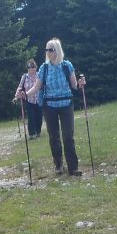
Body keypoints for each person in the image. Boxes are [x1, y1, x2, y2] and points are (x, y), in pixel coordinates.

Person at [20, 38, 86, 176]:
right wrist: (25, 94)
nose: (48, 52)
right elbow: (37, 87)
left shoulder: (67, 65)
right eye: (46, 49)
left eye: (51, 49)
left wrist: (81, 84)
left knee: (68, 136)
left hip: (66, 103)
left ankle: (73, 167)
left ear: (57, 50)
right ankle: (58, 165)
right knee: (53, 136)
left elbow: (74, 85)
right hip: (49, 105)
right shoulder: (44, 68)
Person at [13, 59, 42, 139]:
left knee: (39, 117)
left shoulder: (39, 75)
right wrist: (16, 96)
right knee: (31, 117)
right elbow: (20, 87)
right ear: (27, 68)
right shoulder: (25, 77)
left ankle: (38, 131)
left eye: (33, 67)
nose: (31, 69)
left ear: (35, 68)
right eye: (29, 67)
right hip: (29, 100)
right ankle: (31, 133)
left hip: (39, 99)